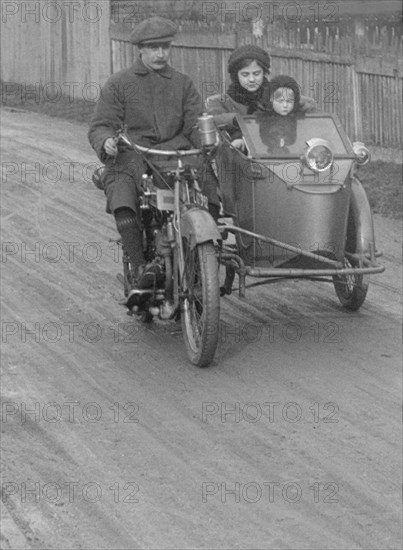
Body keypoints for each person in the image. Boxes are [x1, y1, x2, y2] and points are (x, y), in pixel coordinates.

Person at [88, 16, 220, 309]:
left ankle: (205, 257)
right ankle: (139, 267)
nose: (160, 54)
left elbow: (195, 123)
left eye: (165, 47)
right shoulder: (120, 83)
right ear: (140, 50)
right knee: (121, 187)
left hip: (175, 153)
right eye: (153, 48)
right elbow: (100, 125)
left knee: (208, 182)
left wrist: (205, 142)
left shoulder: (183, 83)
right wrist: (107, 140)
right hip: (134, 152)